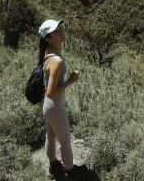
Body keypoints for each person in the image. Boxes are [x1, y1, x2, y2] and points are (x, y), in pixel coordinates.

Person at [38, 19, 88, 180]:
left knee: (50, 137)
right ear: (48, 38)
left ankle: (54, 166)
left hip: (46, 105)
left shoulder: (48, 51)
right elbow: (52, 92)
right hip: (53, 106)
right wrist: (70, 81)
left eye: (60, 28)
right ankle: (71, 171)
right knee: (65, 142)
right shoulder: (57, 60)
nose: (61, 32)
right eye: (56, 31)